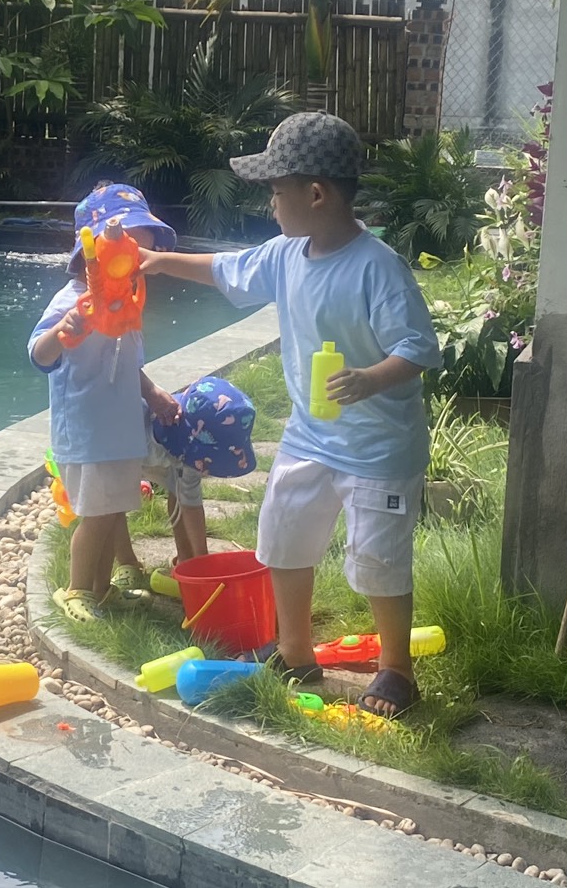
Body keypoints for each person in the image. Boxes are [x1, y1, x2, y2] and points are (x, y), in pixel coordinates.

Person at [137, 111, 442, 718]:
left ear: (316, 194)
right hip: (311, 437)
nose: (271, 205)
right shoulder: (285, 254)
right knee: (282, 539)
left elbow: (417, 349)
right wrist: (160, 261)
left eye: (276, 193)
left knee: (379, 560)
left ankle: (396, 671)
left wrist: (368, 379)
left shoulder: (376, 267)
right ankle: (297, 651)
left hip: (377, 448)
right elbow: (225, 269)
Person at [29, 183, 181, 622]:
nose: (139, 261)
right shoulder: (69, 301)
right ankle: (76, 590)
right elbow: (37, 355)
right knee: (95, 515)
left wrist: (151, 393)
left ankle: (100, 590)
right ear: (95, 252)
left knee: (113, 512)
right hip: (87, 429)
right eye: (132, 249)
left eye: (142, 256)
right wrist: (64, 331)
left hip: (120, 429)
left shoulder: (126, 305)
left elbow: (127, 365)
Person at [112, 375, 258, 589]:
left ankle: (187, 561)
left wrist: (202, 562)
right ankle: (127, 562)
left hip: (164, 455)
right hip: (121, 451)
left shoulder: (192, 452)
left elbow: (190, 502)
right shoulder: (134, 430)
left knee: (178, 492)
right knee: (112, 504)